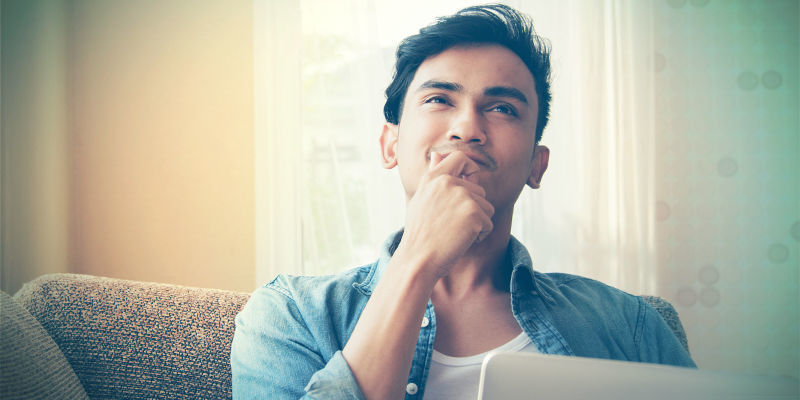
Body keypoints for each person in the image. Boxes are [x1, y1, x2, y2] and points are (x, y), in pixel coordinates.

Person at [231, 4, 695, 399]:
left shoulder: (629, 324)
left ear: (537, 164)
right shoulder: (290, 313)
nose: (468, 128)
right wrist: (418, 258)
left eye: (503, 108)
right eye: (438, 99)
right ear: (390, 145)